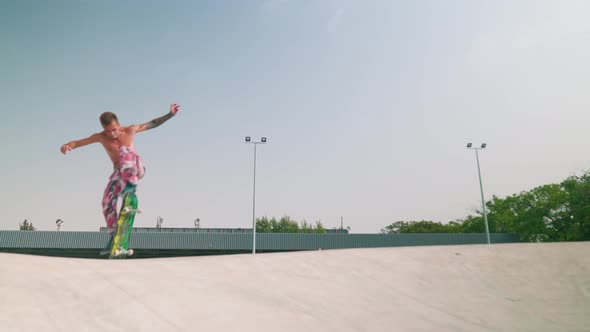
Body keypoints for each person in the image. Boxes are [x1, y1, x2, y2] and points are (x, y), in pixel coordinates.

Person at [60, 103, 180, 234]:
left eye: (114, 129)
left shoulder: (131, 130)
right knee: (106, 201)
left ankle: (129, 189)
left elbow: (153, 123)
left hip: (136, 167)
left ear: (119, 125)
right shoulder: (100, 137)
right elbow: (79, 142)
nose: (112, 134)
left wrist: (170, 115)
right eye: (108, 131)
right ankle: (114, 234)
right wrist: (67, 145)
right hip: (119, 174)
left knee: (124, 152)